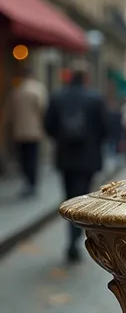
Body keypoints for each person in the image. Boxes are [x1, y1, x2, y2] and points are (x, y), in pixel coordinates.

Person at [44, 60, 109, 263]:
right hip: (88, 158)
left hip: (65, 157)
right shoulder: (95, 99)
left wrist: (61, 140)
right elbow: (105, 128)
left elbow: (48, 125)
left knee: (68, 196)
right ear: (86, 78)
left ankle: (71, 238)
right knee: (81, 197)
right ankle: (75, 239)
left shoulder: (58, 97)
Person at [8, 64, 47, 198]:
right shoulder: (38, 89)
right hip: (34, 130)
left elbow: (11, 112)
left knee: (23, 158)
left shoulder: (17, 90)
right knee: (33, 158)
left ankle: (27, 182)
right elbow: (42, 109)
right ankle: (32, 183)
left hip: (19, 131)